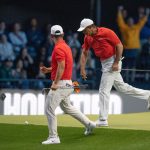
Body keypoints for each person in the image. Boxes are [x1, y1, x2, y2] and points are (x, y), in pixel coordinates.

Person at [77, 18, 150, 127]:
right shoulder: (87, 37)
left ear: (91, 27)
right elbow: (84, 53)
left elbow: (119, 46)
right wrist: (82, 68)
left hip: (112, 60)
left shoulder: (106, 32)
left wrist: (116, 63)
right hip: (104, 62)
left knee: (103, 90)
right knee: (122, 88)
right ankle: (148, 94)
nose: (84, 32)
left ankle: (103, 119)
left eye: (85, 30)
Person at [40, 25, 96, 145]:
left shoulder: (58, 48)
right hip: (68, 83)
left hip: (60, 84)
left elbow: (62, 66)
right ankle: (89, 124)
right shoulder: (66, 47)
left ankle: (53, 137)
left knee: (49, 109)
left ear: (51, 36)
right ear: (63, 34)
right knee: (67, 107)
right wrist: (49, 70)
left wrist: (55, 83)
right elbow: (60, 66)